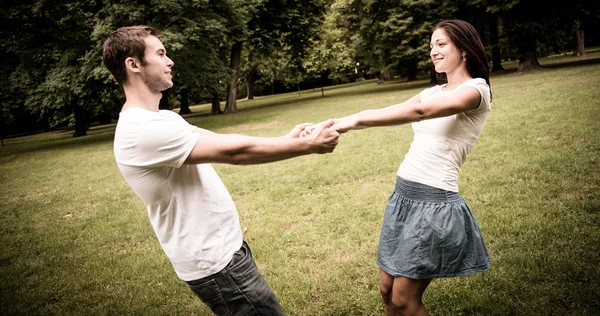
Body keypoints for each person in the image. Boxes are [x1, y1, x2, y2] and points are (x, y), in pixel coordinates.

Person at [102, 25, 340, 316]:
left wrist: (286, 139)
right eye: (161, 54)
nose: (170, 61)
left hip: (223, 251)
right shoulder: (141, 130)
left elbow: (220, 141)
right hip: (215, 263)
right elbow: (234, 152)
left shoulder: (162, 119)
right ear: (134, 64)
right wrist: (307, 147)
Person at [313, 20, 492, 316]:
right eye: (431, 45)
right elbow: (389, 110)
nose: (433, 51)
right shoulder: (433, 91)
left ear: (463, 48)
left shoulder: (475, 91)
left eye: (441, 44)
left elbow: (419, 113)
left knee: (403, 300)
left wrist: (352, 123)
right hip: (402, 198)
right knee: (387, 291)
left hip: (434, 204)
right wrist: (336, 122)